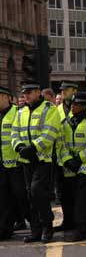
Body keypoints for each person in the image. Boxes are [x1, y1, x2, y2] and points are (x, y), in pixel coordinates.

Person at [11, 80, 61, 243]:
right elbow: (14, 132)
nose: (25, 95)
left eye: (28, 92)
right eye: (24, 93)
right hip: (26, 159)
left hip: (43, 158)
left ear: (37, 92)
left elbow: (50, 132)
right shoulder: (20, 112)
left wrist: (33, 147)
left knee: (38, 191)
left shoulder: (49, 109)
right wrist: (18, 147)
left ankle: (47, 226)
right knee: (30, 195)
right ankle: (36, 230)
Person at [60, 92, 86, 242]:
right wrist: (67, 159)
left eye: (76, 104)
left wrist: (78, 159)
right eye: (72, 104)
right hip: (71, 166)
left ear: (85, 106)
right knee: (78, 197)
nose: (72, 107)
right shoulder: (66, 123)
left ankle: (81, 228)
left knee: (82, 198)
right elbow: (62, 144)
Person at [0, 87, 29, 240]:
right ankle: (5, 229)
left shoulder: (17, 113)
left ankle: (36, 222)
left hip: (17, 164)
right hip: (2, 165)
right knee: (3, 198)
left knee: (22, 196)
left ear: (7, 97)